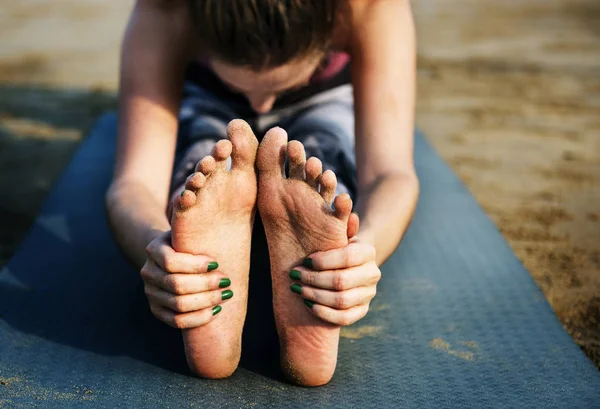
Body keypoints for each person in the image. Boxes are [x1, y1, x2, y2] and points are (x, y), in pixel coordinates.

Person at [105, 0, 418, 387]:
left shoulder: (370, 6)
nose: (261, 107)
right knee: (206, 166)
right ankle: (200, 226)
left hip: (325, 95)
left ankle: (321, 236)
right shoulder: (167, 8)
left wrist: (360, 256)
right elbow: (134, 183)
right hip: (208, 96)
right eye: (243, 84)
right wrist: (158, 249)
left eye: (280, 85)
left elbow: (390, 172)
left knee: (321, 164)